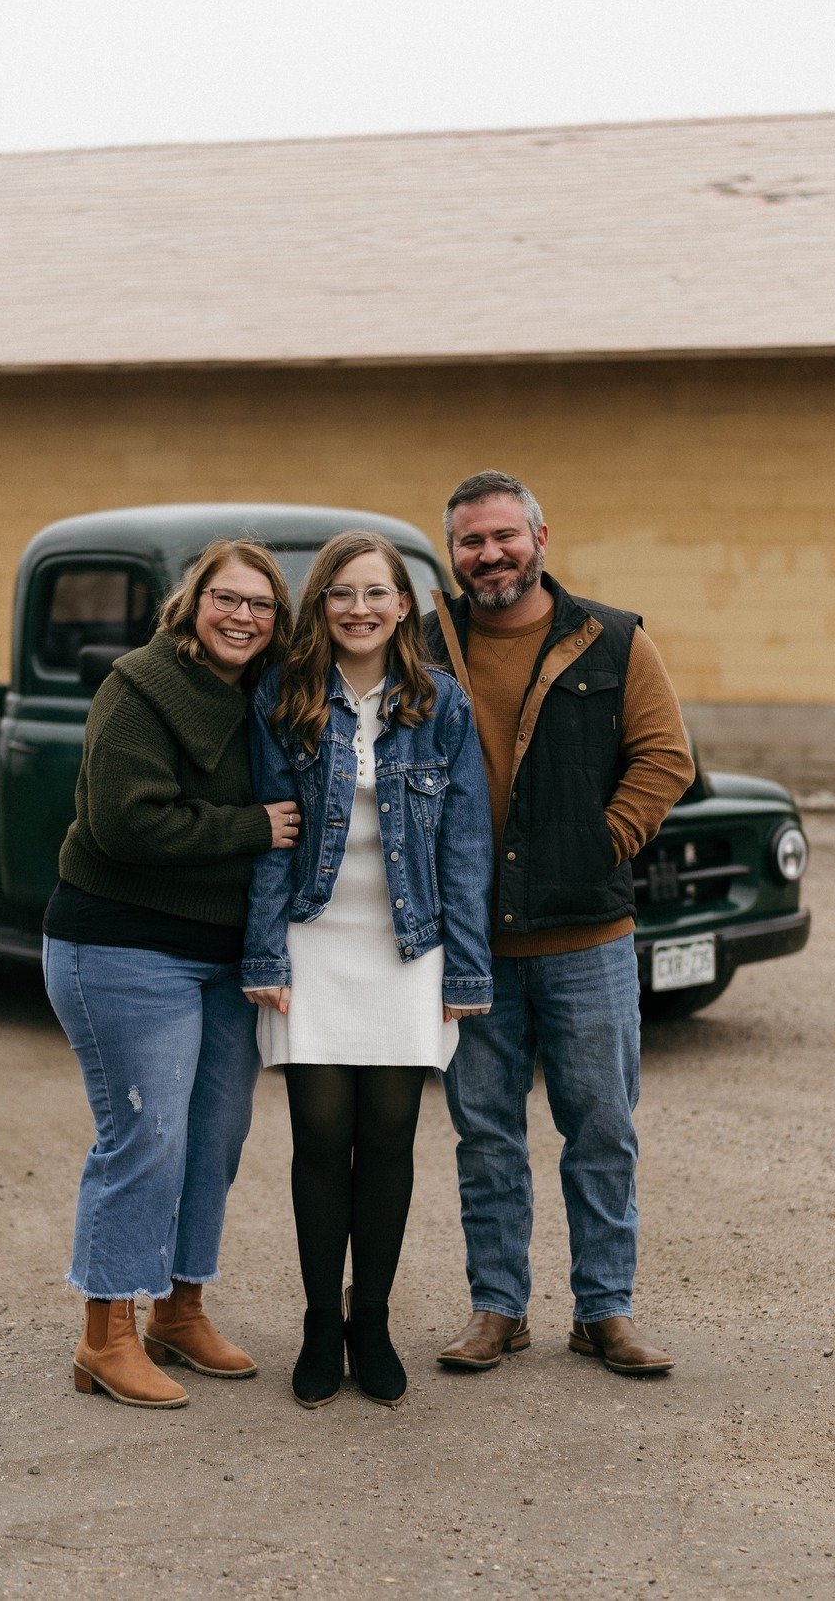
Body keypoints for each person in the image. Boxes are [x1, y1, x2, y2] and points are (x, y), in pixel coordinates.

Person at [424, 471, 694, 1377]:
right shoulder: (423, 645)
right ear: (452, 554)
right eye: (470, 542)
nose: (489, 554)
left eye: (503, 535)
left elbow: (664, 757)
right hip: (470, 948)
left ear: (541, 536)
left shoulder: (612, 639)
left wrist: (599, 846)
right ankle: (497, 1308)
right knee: (487, 1135)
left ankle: (603, 1311)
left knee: (602, 1129)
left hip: (587, 941)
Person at [43, 540, 302, 1409]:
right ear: (192, 604)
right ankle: (102, 1337)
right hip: (120, 946)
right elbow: (124, 824)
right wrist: (250, 829)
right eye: (226, 599)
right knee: (143, 1135)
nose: (242, 617)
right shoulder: (139, 688)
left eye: (260, 606)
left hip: (220, 956)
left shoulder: (266, 701)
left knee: (214, 1136)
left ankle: (179, 1308)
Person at [242, 531, 493, 1409]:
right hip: (311, 942)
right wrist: (264, 951)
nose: (359, 609)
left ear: (402, 605)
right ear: (321, 605)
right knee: (318, 1139)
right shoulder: (285, 695)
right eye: (342, 593)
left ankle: (371, 1319)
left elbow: (464, 847)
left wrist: (464, 972)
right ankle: (319, 1322)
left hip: (407, 949)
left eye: (376, 593)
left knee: (387, 1139)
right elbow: (270, 836)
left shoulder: (441, 705)